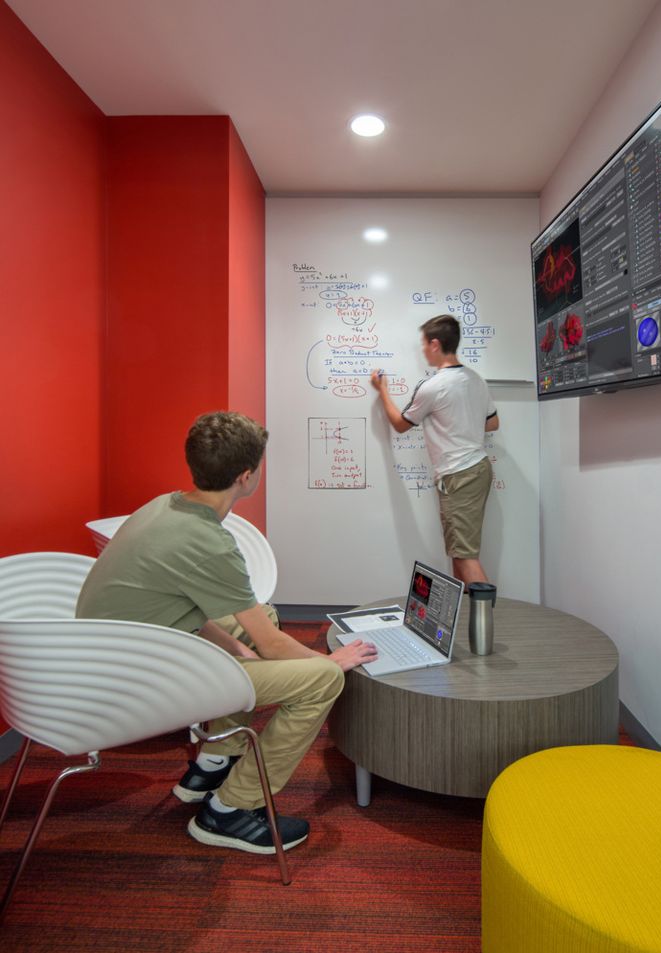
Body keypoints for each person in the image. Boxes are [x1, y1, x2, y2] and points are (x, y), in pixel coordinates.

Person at [76, 411, 378, 855]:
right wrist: (333, 661)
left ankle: (213, 762)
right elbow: (274, 647)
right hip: (134, 681)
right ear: (246, 476)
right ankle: (230, 810)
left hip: (117, 652)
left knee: (263, 619)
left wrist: (238, 648)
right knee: (322, 682)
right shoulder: (209, 543)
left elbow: (190, 608)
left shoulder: (165, 506)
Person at [370, 314, 499, 588]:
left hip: (458, 475)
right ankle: (464, 618)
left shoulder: (433, 386)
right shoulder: (476, 379)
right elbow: (493, 422)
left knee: (465, 556)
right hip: (477, 468)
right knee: (459, 549)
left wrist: (383, 391)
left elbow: (400, 425)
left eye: (424, 344)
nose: (423, 350)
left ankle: (490, 623)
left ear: (435, 344)